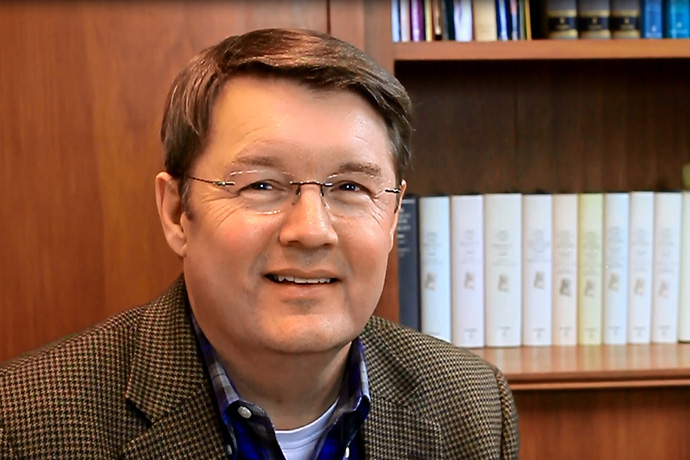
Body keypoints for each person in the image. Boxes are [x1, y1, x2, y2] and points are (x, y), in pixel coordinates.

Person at [0, 28, 519, 459]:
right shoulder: (25, 422)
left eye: (351, 188)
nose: (312, 230)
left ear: (392, 218)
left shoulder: (470, 407)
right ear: (178, 212)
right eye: (262, 185)